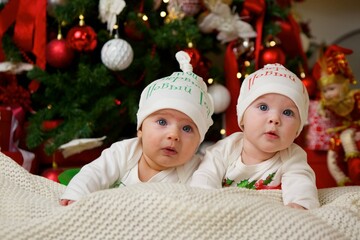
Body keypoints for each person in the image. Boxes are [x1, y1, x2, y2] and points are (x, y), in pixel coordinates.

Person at [60, 51, 214, 206]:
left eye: (187, 128)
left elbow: (202, 199)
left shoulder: (194, 170)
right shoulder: (124, 152)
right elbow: (95, 173)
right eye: (162, 122)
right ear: (140, 129)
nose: (173, 135)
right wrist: (77, 195)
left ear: (198, 143)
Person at [190, 63, 320, 210]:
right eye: (263, 107)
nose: (274, 119)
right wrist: (204, 203)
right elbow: (205, 178)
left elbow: (301, 184)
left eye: (288, 112)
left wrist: (300, 205)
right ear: (242, 117)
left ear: (298, 129)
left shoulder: (292, 157)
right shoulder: (225, 149)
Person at [313, 44, 360, 186]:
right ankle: (342, 181)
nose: (328, 94)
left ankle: (356, 170)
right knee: (332, 154)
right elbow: (321, 111)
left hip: (355, 128)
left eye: (332, 88)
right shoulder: (328, 104)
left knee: (347, 138)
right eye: (325, 91)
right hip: (340, 132)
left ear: (344, 85)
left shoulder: (355, 97)